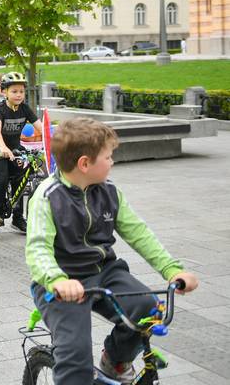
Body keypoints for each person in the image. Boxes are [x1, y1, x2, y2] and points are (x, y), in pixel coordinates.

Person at [26, 118, 199, 384]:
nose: (112, 162)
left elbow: (139, 233)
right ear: (85, 164)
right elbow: (38, 248)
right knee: (75, 357)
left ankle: (115, 360)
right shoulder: (48, 196)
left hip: (104, 272)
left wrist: (171, 269)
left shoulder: (109, 192)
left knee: (149, 309)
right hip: (61, 284)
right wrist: (57, 280)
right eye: (108, 157)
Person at [0, 72, 43, 232]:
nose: (19, 95)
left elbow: (40, 127)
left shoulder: (25, 109)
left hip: (16, 149)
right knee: (2, 179)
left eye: (21, 91)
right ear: (4, 92)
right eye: (14, 91)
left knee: (21, 180)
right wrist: (3, 148)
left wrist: (55, 140)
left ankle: (17, 218)